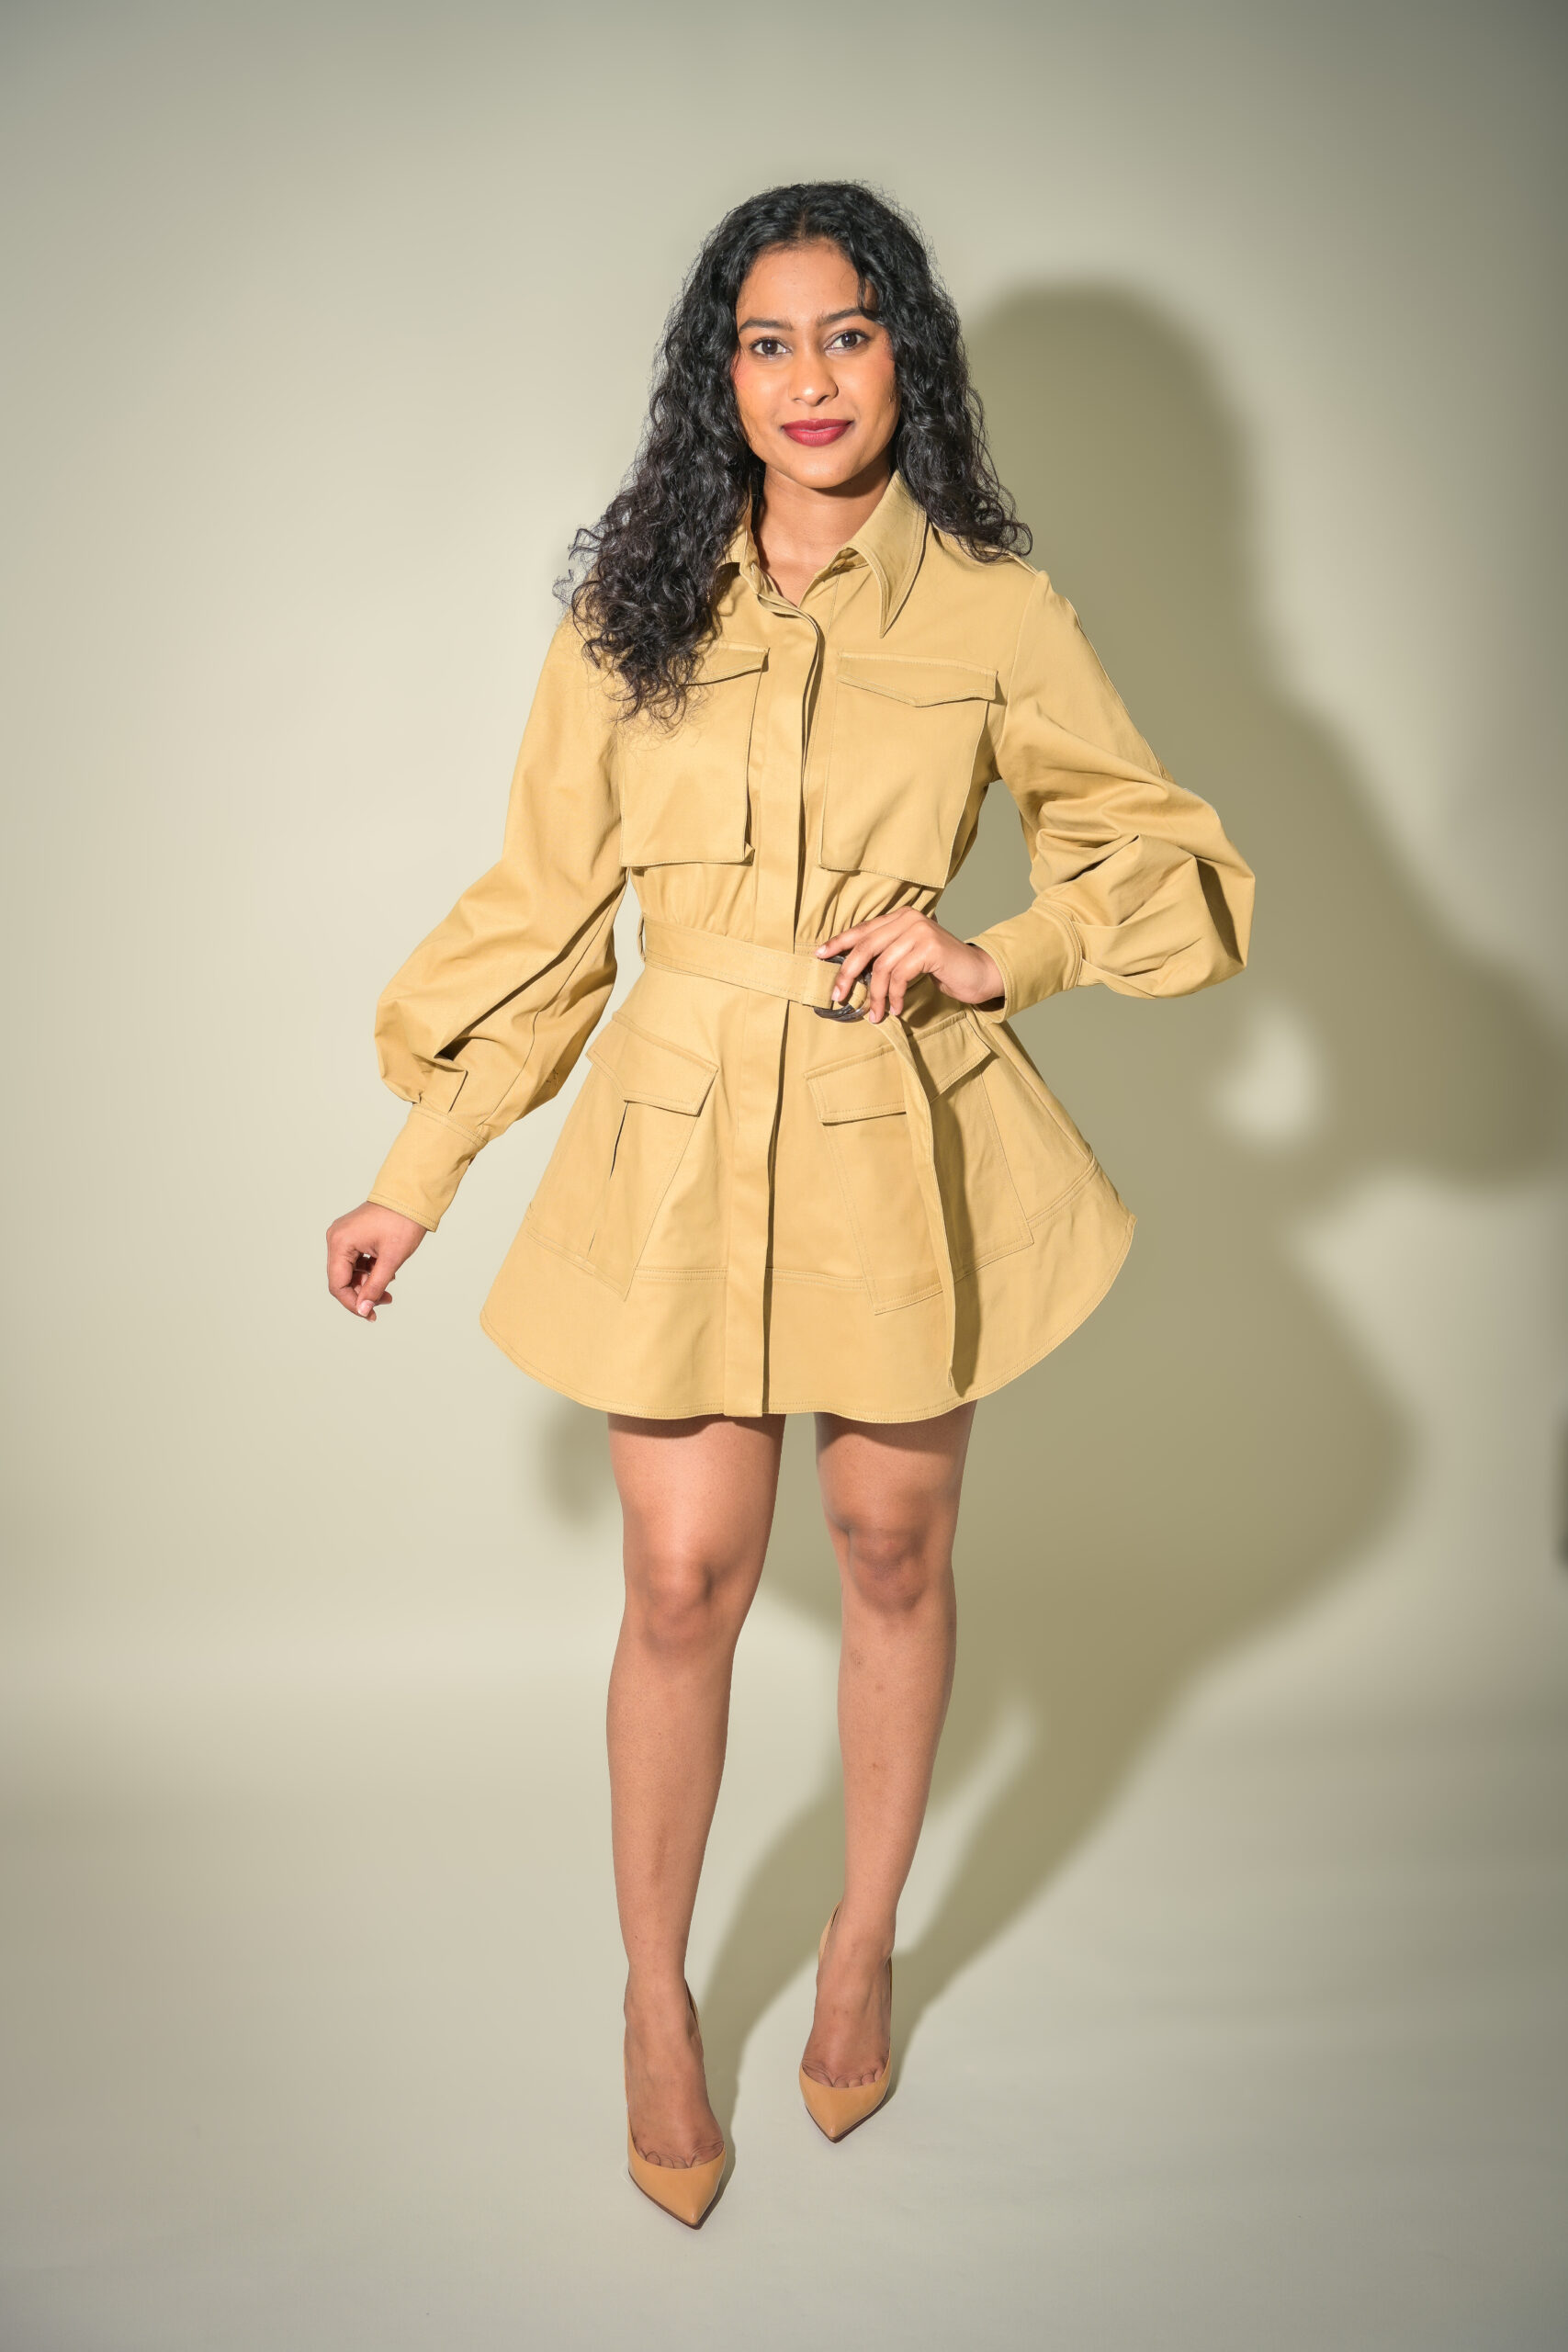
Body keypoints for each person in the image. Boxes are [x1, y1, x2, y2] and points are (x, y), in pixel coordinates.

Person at [325, 181, 1254, 2227]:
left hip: (894, 1123)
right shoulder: (632, 612)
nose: (809, 378)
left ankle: (856, 1942)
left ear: (904, 354)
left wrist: (997, 953)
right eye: (765, 342)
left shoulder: (995, 613)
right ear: (717, 378)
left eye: (847, 332)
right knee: (680, 1583)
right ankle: (656, 2000)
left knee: (892, 1550)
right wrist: (416, 1174)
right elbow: (543, 918)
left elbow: (1154, 858)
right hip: (673, 1130)